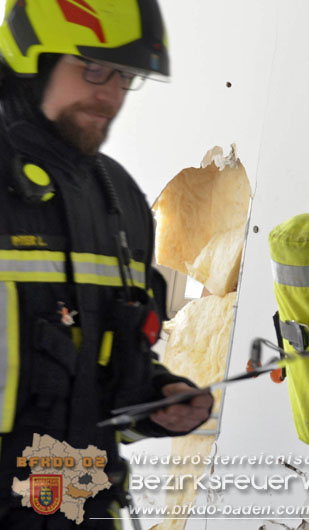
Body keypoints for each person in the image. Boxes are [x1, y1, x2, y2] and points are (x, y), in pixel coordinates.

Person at [0, 1, 212, 527]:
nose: (112, 93)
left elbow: (102, 380)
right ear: (33, 58)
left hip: (79, 506)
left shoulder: (119, 201)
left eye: (126, 75)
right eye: (93, 68)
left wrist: (158, 401)